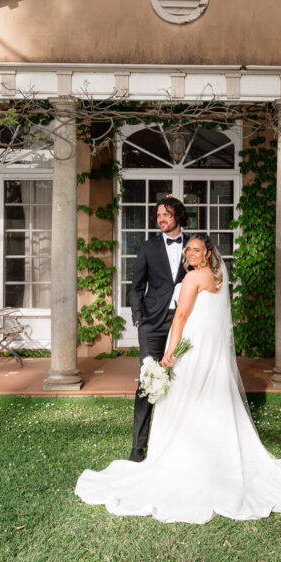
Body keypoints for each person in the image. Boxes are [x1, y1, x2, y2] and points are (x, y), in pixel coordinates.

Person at [76, 233, 281, 524]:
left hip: (193, 350)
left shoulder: (193, 278)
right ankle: (218, 456)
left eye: (196, 250)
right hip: (211, 351)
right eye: (188, 250)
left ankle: (183, 459)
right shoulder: (218, 278)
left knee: (186, 399)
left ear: (208, 253)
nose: (190, 254)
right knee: (209, 400)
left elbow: (181, 317)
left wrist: (169, 353)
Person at [126, 196, 188, 462]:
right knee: (148, 381)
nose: (161, 219)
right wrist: (138, 318)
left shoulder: (193, 245)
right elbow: (136, 286)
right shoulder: (148, 247)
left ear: (178, 216)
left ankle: (178, 442)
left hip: (184, 321)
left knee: (183, 378)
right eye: (158, 215)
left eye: (166, 214)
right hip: (152, 323)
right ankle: (138, 447)